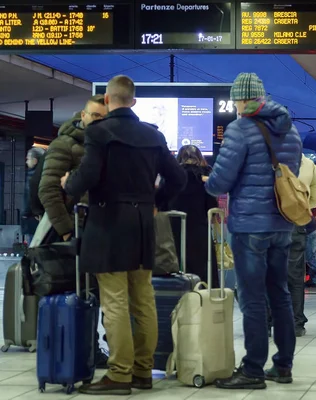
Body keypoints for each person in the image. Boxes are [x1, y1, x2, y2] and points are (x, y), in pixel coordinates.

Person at [62, 75, 187, 395]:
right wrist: (156, 203)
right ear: (132, 101)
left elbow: (88, 174)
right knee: (143, 300)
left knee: (115, 301)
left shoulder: (99, 133)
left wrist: (68, 185)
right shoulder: (152, 135)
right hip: (144, 222)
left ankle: (119, 374)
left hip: (109, 223)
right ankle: (143, 371)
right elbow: (178, 178)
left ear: (107, 100)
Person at [204, 72, 302, 390]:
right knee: (281, 296)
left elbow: (219, 182)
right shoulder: (292, 132)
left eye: (236, 100)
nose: (234, 106)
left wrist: (213, 183)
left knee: (253, 300)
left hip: (250, 226)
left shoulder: (240, 129)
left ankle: (253, 370)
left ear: (244, 100)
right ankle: (283, 366)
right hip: (282, 224)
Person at [38, 94, 109, 369]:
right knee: (82, 292)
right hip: (76, 232)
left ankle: (92, 349)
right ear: (83, 116)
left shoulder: (105, 145)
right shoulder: (64, 145)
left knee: (98, 294)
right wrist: (67, 232)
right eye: (94, 116)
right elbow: (48, 190)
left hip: (99, 229)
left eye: (103, 117)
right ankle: (82, 350)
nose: (98, 121)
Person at [158, 145, 218, 287]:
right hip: (199, 229)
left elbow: (161, 203)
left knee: (176, 265)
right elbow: (212, 206)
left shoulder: (172, 176)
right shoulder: (206, 177)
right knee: (203, 268)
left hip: (174, 229)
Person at [287, 154, 316, 337]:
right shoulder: (306, 163)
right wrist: (303, 207)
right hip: (296, 222)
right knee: (295, 275)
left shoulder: (262, 157)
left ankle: (268, 319)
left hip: (267, 224)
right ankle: (296, 324)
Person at [22, 147, 45, 244]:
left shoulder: (32, 176)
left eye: (28, 159)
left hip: (32, 217)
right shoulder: (44, 173)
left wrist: (25, 214)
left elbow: (29, 197)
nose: (26, 162)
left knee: (32, 245)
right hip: (41, 216)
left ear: (35, 161)